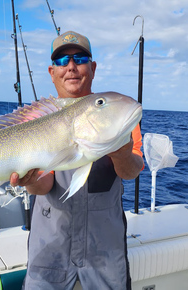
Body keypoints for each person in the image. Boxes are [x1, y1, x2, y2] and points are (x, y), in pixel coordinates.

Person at [10, 31, 144, 290]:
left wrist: (122, 154)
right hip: (49, 252)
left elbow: (132, 170)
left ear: (92, 68)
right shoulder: (34, 118)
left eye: (79, 58)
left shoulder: (117, 113)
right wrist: (30, 181)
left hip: (105, 255)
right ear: (52, 72)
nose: (70, 67)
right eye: (61, 61)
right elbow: (43, 185)